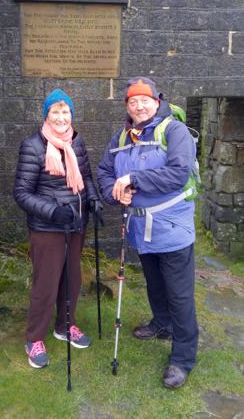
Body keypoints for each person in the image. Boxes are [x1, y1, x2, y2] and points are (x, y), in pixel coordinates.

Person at [97, 77, 199, 389]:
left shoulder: (174, 131)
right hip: (141, 230)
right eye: (132, 101)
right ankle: (161, 324)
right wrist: (116, 194)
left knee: (179, 295)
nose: (139, 105)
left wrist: (132, 179)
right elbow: (104, 172)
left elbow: (178, 173)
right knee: (155, 284)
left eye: (145, 100)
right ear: (127, 106)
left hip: (173, 228)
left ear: (157, 101)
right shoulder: (121, 137)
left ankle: (182, 359)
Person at [13, 88, 103, 369]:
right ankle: (34, 337)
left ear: (71, 115)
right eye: (56, 112)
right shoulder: (33, 146)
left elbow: (85, 177)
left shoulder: (77, 142)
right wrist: (53, 211)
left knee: (72, 279)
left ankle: (65, 326)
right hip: (47, 228)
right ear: (46, 115)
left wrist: (94, 199)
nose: (62, 117)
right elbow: (22, 193)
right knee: (46, 283)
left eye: (66, 112)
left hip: (76, 224)